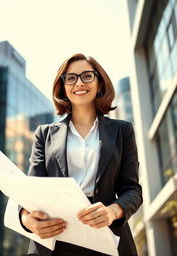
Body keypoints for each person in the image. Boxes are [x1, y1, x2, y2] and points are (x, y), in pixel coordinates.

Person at [19, 53, 143, 256]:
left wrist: (113, 211)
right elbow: (32, 188)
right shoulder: (44, 134)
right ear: (63, 87)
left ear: (99, 83)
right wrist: (26, 218)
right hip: (54, 238)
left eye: (87, 76)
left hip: (106, 236)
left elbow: (132, 190)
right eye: (71, 78)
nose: (79, 83)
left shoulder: (123, 131)